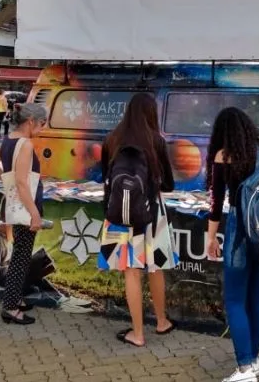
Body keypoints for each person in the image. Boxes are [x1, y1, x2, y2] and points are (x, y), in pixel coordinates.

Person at [206, 107, 259, 382]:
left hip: (240, 233)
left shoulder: (223, 157)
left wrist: (211, 238)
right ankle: (252, 360)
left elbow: (216, 204)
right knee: (257, 299)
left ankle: (244, 369)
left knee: (234, 300)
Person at [97, 93, 177, 347]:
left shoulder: (112, 139)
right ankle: (162, 321)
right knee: (155, 267)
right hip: (151, 212)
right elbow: (169, 184)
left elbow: (105, 178)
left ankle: (138, 333)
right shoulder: (156, 141)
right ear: (151, 113)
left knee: (131, 272)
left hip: (118, 213)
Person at [0, 102, 49, 324]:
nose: (42, 129)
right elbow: (22, 182)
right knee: (20, 257)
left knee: (18, 254)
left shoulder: (8, 141)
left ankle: (15, 299)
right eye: (41, 124)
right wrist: (35, 214)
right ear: (31, 122)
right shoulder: (26, 144)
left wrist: (6, 182)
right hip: (26, 207)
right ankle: (10, 306)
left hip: (15, 206)